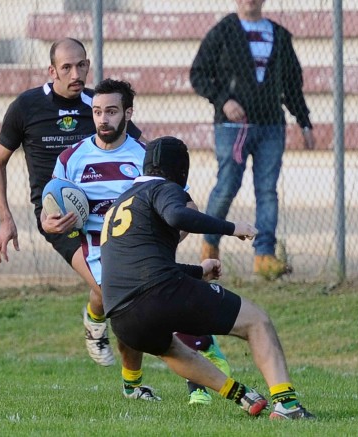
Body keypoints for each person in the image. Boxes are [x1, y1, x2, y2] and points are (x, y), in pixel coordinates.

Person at [100, 136, 315, 419]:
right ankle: (287, 405)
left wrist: (199, 271)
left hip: (121, 318)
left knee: (172, 349)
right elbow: (177, 216)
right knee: (256, 321)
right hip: (157, 294)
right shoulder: (163, 188)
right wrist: (232, 227)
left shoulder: (120, 202)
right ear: (181, 170)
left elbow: (140, 268)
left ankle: (241, 395)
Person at [44, 79, 229, 403]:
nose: (103, 119)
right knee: (136, 311)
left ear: (128, 113)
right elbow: (50, 207)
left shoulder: (145, 157)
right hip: (97, 252)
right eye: (97, 112)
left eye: (111, 111)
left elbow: (186, 207)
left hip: (143, 252)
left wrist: (164, 237)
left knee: (143, 311)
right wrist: (51, 222)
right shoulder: (71, 159)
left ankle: (163, 379)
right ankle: (187, 364)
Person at [0, 38, 143, 367]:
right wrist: (5, 219)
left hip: (108, 214)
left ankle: (95, 318)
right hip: (59, 217)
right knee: (112, 285)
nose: (76, 74)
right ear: (52, 71)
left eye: (81, 65)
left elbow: (140, 147)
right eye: (67, 67)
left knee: (114, 283)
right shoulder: (27, 107)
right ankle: (103, 333)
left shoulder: (99, 107)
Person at [190, 0, 316, 279]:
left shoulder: (279, 35)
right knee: (227, 186)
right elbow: (198, 73)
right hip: (232, 128)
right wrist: (224, 101)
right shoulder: (223, 31)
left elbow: (292, 84)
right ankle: (209, 246)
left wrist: (304, 122)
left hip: (271, 126)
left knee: (268, 191)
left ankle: (264, 256)